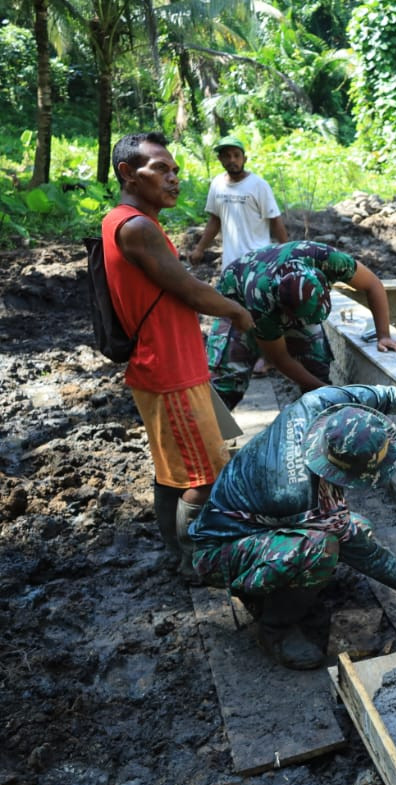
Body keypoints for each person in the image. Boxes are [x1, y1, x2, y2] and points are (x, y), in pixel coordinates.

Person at [188, 384, 396, 669]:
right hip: (220, 550)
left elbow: (384, 395)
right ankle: (275, 627)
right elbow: (368, 555)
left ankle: (284, 586)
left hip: (248, 520)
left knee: (356, 527)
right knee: (321, 547)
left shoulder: (320, 404)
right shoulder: (298, 497)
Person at [103, 131, 257, 581]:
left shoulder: (125, 222)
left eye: (174, 170)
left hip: (169, 366)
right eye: (160, 169)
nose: (173, 178)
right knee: (204, 475)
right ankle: (195, 562)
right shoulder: (137, 228)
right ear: (128, 174)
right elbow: (190, 290)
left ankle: (176, 552)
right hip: (170, 371)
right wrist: (238, 312)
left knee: (175, 469)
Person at [205, 240, 396, 409]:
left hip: (281, 288)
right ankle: (208, 437)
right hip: (236, 297)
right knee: (228, 381)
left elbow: (373, 284)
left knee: (316, 366)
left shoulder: (326, 259)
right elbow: (279, 358)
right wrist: (328, 391)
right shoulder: (262, 301)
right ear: (286, 310)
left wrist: (383, 335)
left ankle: (316, 427)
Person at [189, 135, 287, 272]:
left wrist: (288, 253)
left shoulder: (259, 185)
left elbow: (275, 220)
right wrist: (200, 248)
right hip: (231, 263)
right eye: (227, 156)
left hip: (258, 261)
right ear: (220, 159)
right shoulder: (217, 184)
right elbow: (215, 219)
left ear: (244, 159)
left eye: (236, 155)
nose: (232, 160)